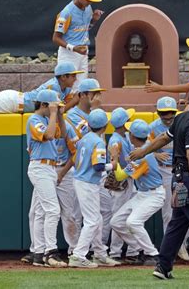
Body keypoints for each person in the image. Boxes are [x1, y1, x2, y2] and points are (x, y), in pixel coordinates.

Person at [130, 86, 189, 282]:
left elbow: (164, 137)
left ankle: (163, 267)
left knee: (178, 224)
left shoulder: (181, 118)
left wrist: (143, 151)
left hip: (179, 179)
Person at [54, 78, 106, 256]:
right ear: (82, 95)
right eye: (94, 93)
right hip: (79, 170)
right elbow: (88, 137)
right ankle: (75, 250)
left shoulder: (97, 113)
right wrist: (97, 109)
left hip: (96, 170)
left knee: (99, 214)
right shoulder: (73, 116)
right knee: (75, 214)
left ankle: (98, 251)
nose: (97, 97)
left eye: (98, 93)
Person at [69, 109, 120, 268]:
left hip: (81, 179)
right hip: (87, 182)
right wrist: (113, 165)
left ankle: (99, 254)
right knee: (92, 220)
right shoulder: (98, 141)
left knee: (95, 218)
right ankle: (78, 255)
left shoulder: (85, 138)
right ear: (104, 127)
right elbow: (98, 166)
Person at [110, 119, 165, 266]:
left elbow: (120, 176)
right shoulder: (143, 149)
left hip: (154, 195)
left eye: (130, 133)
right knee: (115, 222)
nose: (128, 135)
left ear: (133, 137)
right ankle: (141, 248)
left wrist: (115, 158)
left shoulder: (143, 155)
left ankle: (153, 254)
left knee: (133, 222)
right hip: (143, 194)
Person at [24, 89, 67, 267]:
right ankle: (51, 252)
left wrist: (60, 116)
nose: (56, 109)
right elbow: (48, 135)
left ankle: (38, 253)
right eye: (53, 106)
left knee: (40, 212)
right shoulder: (34, 119)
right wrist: (53, 113)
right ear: (44, 105)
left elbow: (61, 134)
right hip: (40, 167)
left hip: (49, 168)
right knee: (53, 210)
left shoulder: (47, 119)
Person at [149, 96, 189, 261]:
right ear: (158, 112)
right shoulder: (152, 127)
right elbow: (141, 147)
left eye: (170, 113)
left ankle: (181, 243)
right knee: (168, 212)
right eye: (164, 113)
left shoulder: (183, 123)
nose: (167, 117)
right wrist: (155, 154)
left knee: (188, 210)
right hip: (164, 171)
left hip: (182, 170)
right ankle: (172, 250)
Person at [52, 0, 104, 90]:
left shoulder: (88, 9)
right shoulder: (66, 13)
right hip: (69, 54)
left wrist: (94, 21)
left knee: (81, 87)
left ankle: (77, 107)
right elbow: (56, 38)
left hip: (83, 52)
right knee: (66, 87)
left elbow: (84, 29)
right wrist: (73, 48)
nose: (90, 2)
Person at [107, 107, 138, 262]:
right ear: (123, 124)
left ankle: (128, 252)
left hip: (127, 180)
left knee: (127, 216)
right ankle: (115, 252)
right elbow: (117, 163)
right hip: (120, 182)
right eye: (128, 120)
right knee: (118, 217)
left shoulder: (123, 136)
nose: (130, 121)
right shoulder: (115, 140)